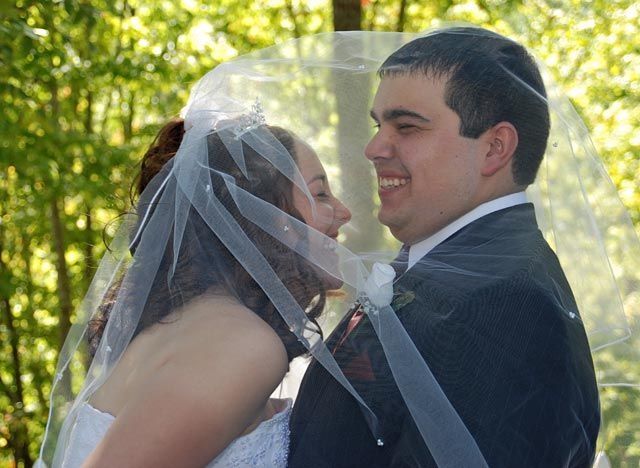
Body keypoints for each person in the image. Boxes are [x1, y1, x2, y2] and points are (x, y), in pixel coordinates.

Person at [288, 27, 602, 467]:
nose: (374, 148)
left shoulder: (507, 303)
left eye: (407, 127)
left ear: (494, 148)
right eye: (379, 126)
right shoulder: (455, 267)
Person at [37, 114, 352, 467]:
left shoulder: (196, 324)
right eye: (321, 194)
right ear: (267, 214)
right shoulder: (241, 346)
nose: (345, 212)